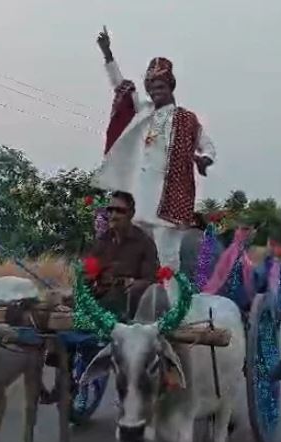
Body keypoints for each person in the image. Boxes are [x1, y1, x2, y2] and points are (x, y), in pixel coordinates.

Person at [93, 26, 216, 272]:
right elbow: (120, 85)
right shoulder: (145, 112)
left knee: (168, 259)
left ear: (171, 88)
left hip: (170, 201)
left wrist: (205, 160)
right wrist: (107, 54)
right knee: (140, 257)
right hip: (141, 199)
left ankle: (174, 307)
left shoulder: (186, 119)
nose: (156, 92)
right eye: (152, 88)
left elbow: (208, 146)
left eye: (161, 87)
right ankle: (146, 305)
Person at [87, 191, 160, 320]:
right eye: (110, 210)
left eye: (119, 211)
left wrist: (132, 284)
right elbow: (87, 275)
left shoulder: (144, 243)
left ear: (131, 213)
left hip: (128, 306)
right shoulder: (101, 241)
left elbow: (150, 281)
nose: (113, 215)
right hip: (99, 302)